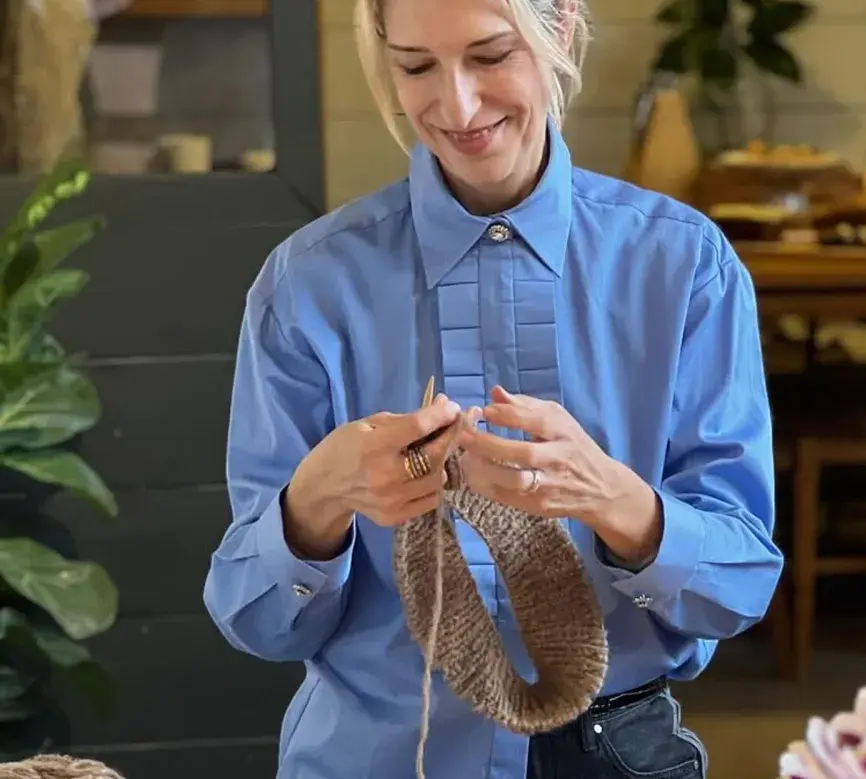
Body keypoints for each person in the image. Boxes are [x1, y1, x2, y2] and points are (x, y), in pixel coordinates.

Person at [201, 0, 783, 776]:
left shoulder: (685, 267)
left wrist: (615, 500)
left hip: (616, 752)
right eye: (416, 66)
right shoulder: (306, 287)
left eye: (490, 55)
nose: (458, 105)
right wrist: (314, 504)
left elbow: (739, 588)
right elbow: (258, 621)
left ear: (561, 29)